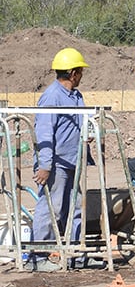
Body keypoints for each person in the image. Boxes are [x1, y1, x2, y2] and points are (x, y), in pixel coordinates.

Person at [29, 48, 91, 271]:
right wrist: (45, 166)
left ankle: (76, 254)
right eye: (80, 72)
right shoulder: (52, 96)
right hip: (56, 164)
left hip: (73, 161)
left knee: (75, 210)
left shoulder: (76, 96)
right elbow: (44, 133)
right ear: (73, 73)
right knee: (50, 209)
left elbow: (83, 124)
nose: (82, 75)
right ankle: (38, 257)